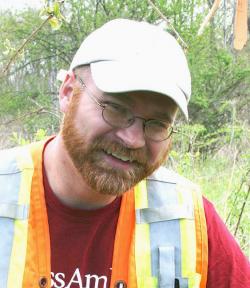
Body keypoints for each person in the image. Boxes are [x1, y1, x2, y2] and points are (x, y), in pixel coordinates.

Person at [0, 18, 249, 288]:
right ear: (68, 92)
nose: (132, 140)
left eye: (157, 124)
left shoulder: (188, 217)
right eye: (116, 108)